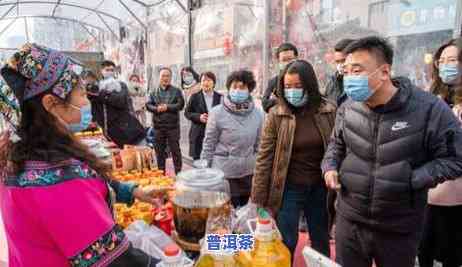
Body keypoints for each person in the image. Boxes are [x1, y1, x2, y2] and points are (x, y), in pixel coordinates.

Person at [0, 43, 164, 267]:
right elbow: (116, 261)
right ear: (51, 103)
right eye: (81, 94)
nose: (87, 102)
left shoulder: (17, 157)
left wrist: (132, 191)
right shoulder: (61, 180)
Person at [321, 36, 462, 267]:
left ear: (384, 71)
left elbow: (456, 158)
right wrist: (330, 167)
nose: (349, 78)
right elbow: (336, 145)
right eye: (346, 71)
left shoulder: (428, 109)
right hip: (350, 220)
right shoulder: (347, 109)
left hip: (399, 226)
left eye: (357, 70)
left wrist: (414, 178)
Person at [251, 60, 335, 258]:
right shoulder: (277, 114)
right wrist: (259, 198)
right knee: (286, 239)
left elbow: (337, 147)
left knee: (321, 238)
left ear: (309, 85)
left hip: (320, 187)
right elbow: (264, 157)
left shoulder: (329, 111)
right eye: (288, 87)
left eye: (298, 86)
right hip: (288, 188)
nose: (292, 91)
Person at [419, 38, 462, 267]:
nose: (446, 65)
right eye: (442, 61)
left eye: (453, 60)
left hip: (457, 196)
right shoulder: (432, 97)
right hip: (431, 190)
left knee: (452, 253)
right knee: (424, 248)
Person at [201, 70, 263, 208]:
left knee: (245, 216)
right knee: (225, 216)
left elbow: (259, 146)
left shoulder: (258, 114)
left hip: (248, 173)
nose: (238, 90)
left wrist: (260, 173)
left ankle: (243, 231)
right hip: (224, 174)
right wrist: (205, 171)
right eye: (234, 86)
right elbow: (209, 144)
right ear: (229, 88)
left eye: (242, 87)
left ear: (249, 90)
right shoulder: (217, 113)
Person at [87, 60, 146, 148]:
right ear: (101, 71)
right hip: (112, 134)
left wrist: (102, 94)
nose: (110, 72)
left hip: (130, 130)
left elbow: (120, 101)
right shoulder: (97, 87)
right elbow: (93, 106)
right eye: (107, 70)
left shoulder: (121, 85)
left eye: (112, 70)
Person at [147, 67, 185, 175]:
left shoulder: (176, 91)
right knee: (159, 152)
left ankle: (179, 173)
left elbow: (180, 105)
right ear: (159, 77)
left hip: (173, 127)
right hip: (158, 127)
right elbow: (148, 105)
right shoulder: (153, 92)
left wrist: (167, 107)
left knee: (175, 151)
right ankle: (161, 173)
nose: (165, 78)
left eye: (167, 76)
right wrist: (157, 109)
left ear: (171, 78)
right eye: (163, 76)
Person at [184, 71, 222, 160]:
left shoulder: (220, 97)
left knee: (214, 163)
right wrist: (199, 117)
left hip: (215, 135)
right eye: (204, 80)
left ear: (214, 83)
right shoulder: (194, 97)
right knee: (198, 165)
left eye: (209, 80)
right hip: (198, 135)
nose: (206, 83)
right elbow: (187, 113)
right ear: (200, 83)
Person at [262, 43, 298, 113]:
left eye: (290, 59)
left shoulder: (304, 77)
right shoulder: (274, 82)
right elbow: (265, 103)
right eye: (284, 60)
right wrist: (281, 101)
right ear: (279, 61)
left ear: (296, 58)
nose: (288, 63)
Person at [324, 38, 355, 106]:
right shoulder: (331, 84)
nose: (341, 65)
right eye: (337, 61)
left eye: (344, 60)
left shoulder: (360, 84)